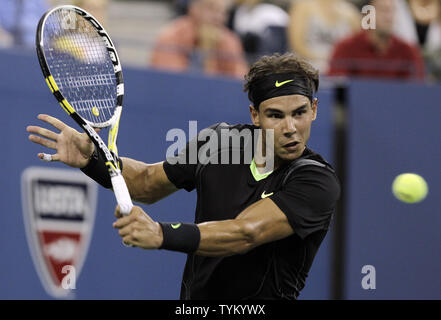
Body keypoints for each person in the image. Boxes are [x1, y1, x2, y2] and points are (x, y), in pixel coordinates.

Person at [27, 52, 340, 300]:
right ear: (255, 115)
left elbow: (246, 232)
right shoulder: (218, 143)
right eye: (275, 115)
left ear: (313, 109)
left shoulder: (316, 181)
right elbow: (148, 182)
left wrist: (163, 234)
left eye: (299, 113)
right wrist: (92, 160)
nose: (290, 128)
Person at [328, 0, 426, 80]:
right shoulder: (346, 48)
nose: (388, 17)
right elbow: (336, 87)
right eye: (383, 10)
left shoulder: (408, 51)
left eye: (392, 10)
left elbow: (418, 89)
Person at [150, 0, 248, 79]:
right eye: (211, 9)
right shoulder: (172, 35)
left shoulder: (230, 40)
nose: (218, 17)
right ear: (193, 9)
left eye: (223, 12)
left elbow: (239, 81)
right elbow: (170, 80)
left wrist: (209, 53)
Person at [287, 0, 361, 73]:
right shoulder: (302, 6)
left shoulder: (351, 12)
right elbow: (297, 46)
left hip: (339, 68)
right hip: (307, 67)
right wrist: (325, 60)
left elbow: (358, 47)